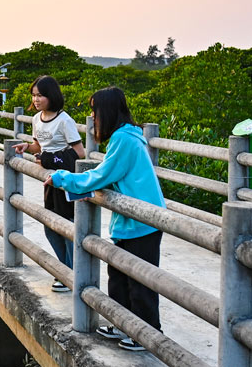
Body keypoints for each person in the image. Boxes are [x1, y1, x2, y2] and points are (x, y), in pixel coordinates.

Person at [45, 86, 165, 352]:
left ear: (106, 111)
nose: (92, 118)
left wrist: (63, 178)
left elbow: (101, 175)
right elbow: (107, 175)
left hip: (143, 221)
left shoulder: (124, 139)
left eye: (94, 111)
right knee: (119, 275)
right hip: (131, 220)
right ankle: (123, 324)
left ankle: (146, 333)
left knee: (140, 280)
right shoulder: (125, 137)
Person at [14, 75, 85, 292]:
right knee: (50, 226)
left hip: (65, 180)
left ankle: (70, 275)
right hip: (49, 180)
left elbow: (79, 153)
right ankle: (64, 270)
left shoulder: (65, 120)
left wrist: (49, 159)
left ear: (51, 96)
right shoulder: (36, 119)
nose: (36, 100)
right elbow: (40, 146)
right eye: (34, 95)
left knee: (66, 226)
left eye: (41, 95)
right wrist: (28, 147)